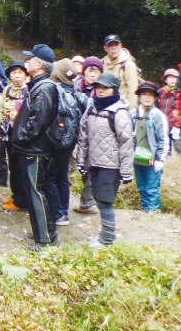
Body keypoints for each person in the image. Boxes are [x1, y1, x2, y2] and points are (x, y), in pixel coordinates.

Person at [10, 44, 59, 250]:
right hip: (30, 148)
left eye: (30, 59)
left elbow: (38, 122)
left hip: (34, 150)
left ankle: (45, 240)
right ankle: (43, 232)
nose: (26, 61)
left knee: (36, 193)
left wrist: (20, 137)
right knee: (34, 192)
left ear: (39, 64)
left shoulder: (45, 87)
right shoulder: (38, 85)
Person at [77, 72, 134, 248]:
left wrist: (126, 171)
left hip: (111, 164)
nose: (101, 91)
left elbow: (126, 143)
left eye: (105, 88)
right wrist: (81, 160)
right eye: (98, 88)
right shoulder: (92, 107)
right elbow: (83, 134)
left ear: (114, 90)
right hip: (94, 162)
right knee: (97, 197)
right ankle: (105, 234)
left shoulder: (119, 112)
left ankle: (108, 238)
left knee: (105, 200)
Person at [46, 59, 82, 227]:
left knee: (49, 176)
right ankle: (63, 212)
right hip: (70, 140)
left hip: (59, 141)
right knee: (62, 176)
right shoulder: (74, 91)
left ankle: (57, 213)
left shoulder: (58, 92)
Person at [72, 56, 103, 215]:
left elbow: (92, 106)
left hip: (92, 133)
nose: (92, 74)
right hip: (73, 130)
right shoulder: (76, 85)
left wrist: (77, 96)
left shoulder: (101, 89)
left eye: (96, 71)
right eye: (90, 70)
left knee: (89, 167)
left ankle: (88, 202)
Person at [132, 81, 169, 213]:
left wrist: (160, 159)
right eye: (144, 94)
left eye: (150, 95)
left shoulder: (157, 115)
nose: (147, 97)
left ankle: (152, 213)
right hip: (137, 157)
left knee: (152, 188)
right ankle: (144, 212)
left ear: (155, 98)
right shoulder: (133, 114)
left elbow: (163, 139)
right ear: (139, 96)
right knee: (142, 187)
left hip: (152, 159)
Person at [0, 61, 28, 200]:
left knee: (22, 165)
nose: (17, 76)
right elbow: (1, 106)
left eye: (20, 72)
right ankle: (16, 195)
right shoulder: (8, 90)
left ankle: (22, 198)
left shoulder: (29, 90)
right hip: (9, 132)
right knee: (13, 164)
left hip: (23, 133)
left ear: (25, 74)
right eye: (14, 73)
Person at [101, 35, 140, 109]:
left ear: (121, 46)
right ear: (105, 48)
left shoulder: (128, 64)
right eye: (110, 45)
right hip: (105, 107)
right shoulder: (102, 63)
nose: (113, 48)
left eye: (116, 45)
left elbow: (133, 90)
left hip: (122, 107)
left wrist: (131, 109)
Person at [158, 68, 181, 155]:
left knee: (179, 148)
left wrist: (177, 126)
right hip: (164, 124)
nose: (173, 80)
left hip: (177, 125)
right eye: (170, 77)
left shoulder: (180, 93)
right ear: (165, 79)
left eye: (175, 78)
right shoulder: (160, 92)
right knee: (165, 147)